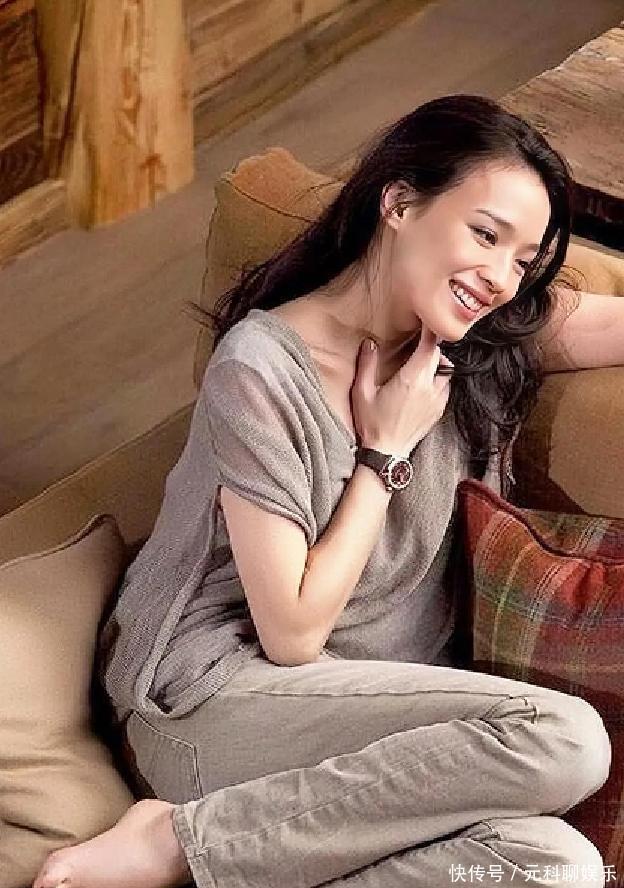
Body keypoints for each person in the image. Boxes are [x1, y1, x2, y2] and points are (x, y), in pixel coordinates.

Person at [33, 94, 616, 888]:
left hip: (373, 748)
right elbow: (293, 634)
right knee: (565, 740)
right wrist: (385, 452)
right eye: (485, 234)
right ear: (400, 203)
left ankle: (225, 853)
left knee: (557, 867)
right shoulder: (262, 369)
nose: (499, 280)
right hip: (220, 705)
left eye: (522, 261)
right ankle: (178, 845)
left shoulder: (478, 342)